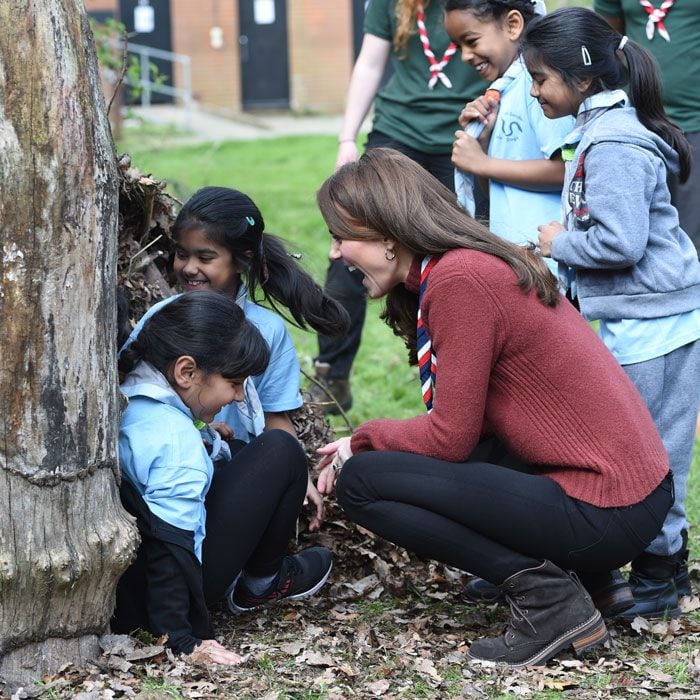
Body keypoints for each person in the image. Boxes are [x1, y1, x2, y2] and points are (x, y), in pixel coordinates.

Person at [313, 148, 673, 667]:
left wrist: (361, 438)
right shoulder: (459, 270)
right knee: (436, 458)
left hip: (607, 506)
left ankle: (549, 602)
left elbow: (449, 437)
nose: (334, 252)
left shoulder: (461, 280)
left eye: (340, 236)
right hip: (623, 494)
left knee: (363, 481)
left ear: (385, 236)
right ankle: (594, 585)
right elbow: (475, 428)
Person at [525, 7, 700, 619]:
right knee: (647, 445)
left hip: (658, 324)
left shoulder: (615, 143)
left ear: (583, 77)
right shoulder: (604, 133)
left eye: (541, 78)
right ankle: (656, 572)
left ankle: (659, 577)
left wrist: (557, 243)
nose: (534, 90)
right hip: (647, 318)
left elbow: (621, 244)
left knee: (655, 452)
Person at [112, 292, 333, 663]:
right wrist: (180, 638)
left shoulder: (133, 392)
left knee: (245, 451)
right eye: (234, 382)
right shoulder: (176, 444)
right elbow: (171, 547)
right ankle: (262, 582)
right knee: (280, 449)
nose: (237, 396)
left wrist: (205, 435)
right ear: (186, 372)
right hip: (159, 594)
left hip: (129, 584)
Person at [122, 186, 350, 531]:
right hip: (162, 471)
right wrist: (197, 429)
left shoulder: (268, 331)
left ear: (242, 259)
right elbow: (133, 395)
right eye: (182, 255)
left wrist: (294, 475)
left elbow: (276, 421)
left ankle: (262, 578)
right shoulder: (164, 316)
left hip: (229, 469)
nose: (189, 268)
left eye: (205, 258)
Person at [309, 0, 486, 414]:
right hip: (396, 134)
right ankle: (332, 372)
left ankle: (457, 374)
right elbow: (370, 63)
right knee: (349, 248)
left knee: (459, 256)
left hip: (463, 137)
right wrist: (346, 138)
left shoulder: (481, 7)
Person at [447, 0, 573, 264]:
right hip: (519, 255)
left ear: (512, 25)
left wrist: (484, 162)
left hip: (550, 259)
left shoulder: (537, 84)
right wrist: (482, 143)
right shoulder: (504, 90)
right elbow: (497, 185)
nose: (465, 55)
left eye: (471, 41)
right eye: (459, 46)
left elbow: (566, 170)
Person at [594, 0, 700, 259]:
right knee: (649, 234)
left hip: (696, 124)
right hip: (641, 126)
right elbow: (611, 41)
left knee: (693, 241)